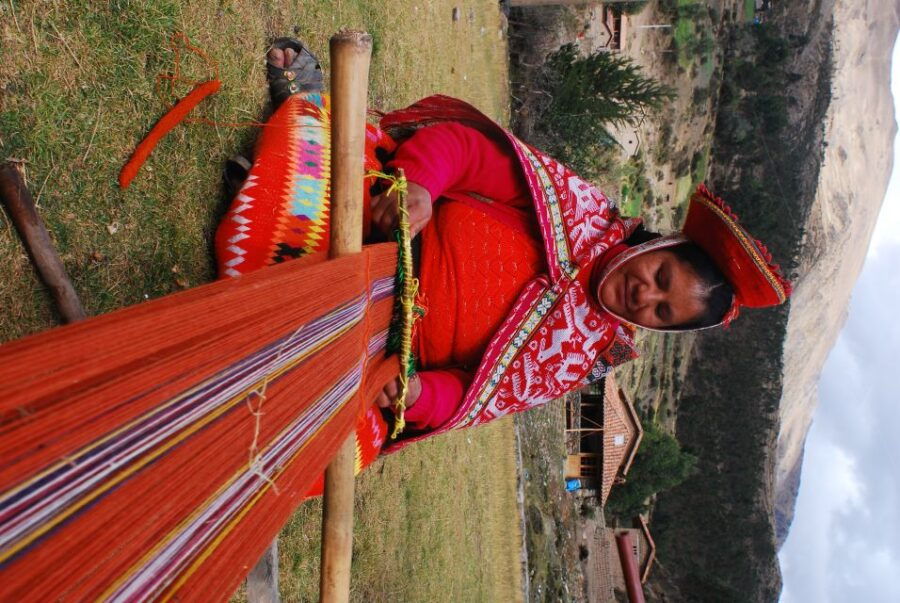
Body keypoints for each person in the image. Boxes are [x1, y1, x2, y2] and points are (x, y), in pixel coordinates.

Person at [216, 39, 791, 467]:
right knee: (317, 166)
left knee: (322, 447)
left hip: (375, 348)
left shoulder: (573, 360)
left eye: (662, 311)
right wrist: (418, 187)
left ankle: (264, 221)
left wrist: (417, 395)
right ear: (659, 245)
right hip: (382, 224)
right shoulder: (577, 210)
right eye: (662, 275)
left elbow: (470, 394)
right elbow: (463, 150)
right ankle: (306, 111)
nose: (646, 294)